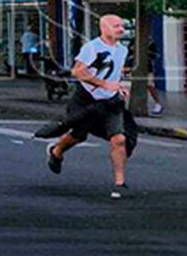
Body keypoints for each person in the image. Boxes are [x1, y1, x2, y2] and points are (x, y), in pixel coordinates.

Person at [42, 14, 140, 199]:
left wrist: (119, 86)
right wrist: (104, 84)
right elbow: (79, 71)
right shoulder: (92, 48)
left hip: (111, 102)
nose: (121, 29)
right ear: (104, 28)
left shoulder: (122, 50)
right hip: (86, 100)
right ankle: (56, 151)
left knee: (119, 139)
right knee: (78, 136)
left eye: (122, 25)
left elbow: (115, 72)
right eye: (116, 26)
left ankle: (120, 183)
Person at [146, 39, 164, 116]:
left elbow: (156, 55)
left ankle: (158, 103)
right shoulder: (134, 41)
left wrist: (148, 54)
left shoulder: (151, 43)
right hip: (136, 68)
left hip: (148, 68)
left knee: (150, 85)